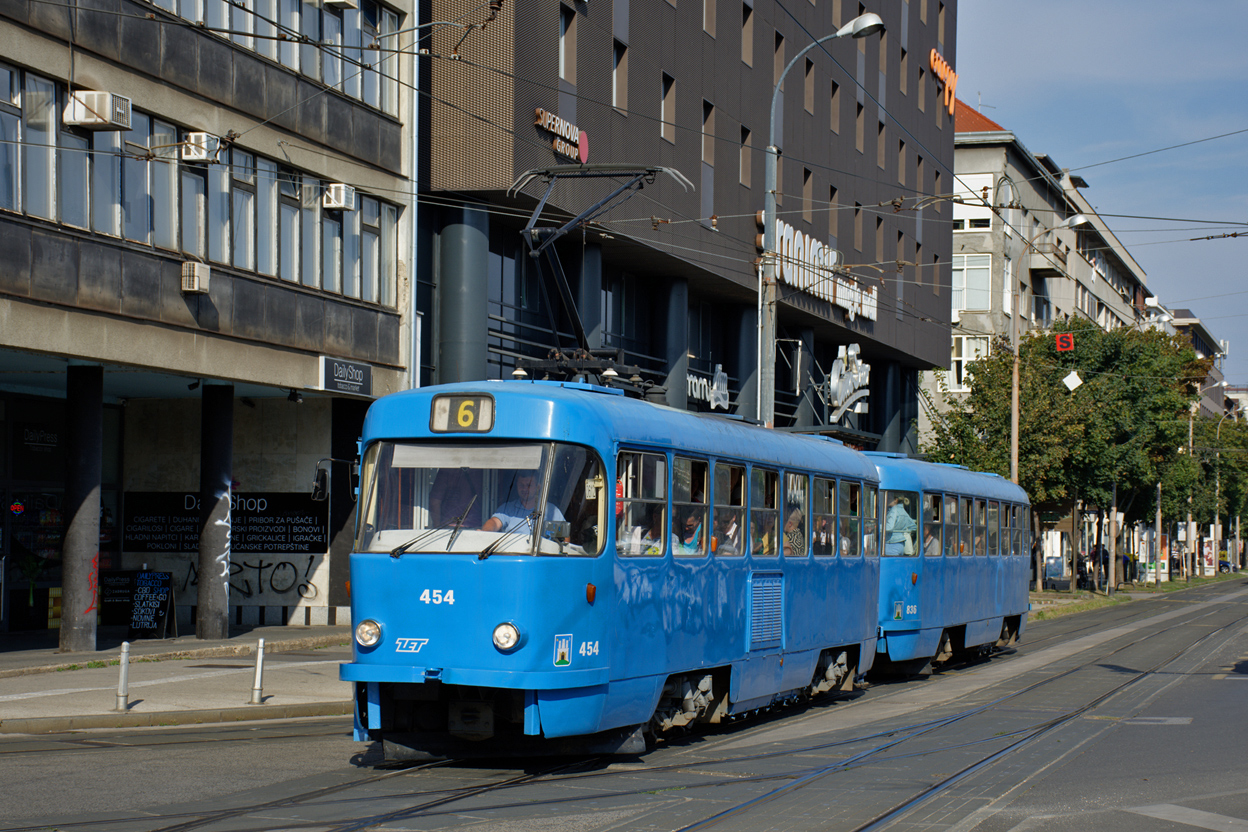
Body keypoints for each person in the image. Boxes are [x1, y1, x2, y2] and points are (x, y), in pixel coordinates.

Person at [482, 470, 564, 533]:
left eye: (529, 485)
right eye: (521, 485)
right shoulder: (507, 508)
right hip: (511, 554)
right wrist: (485, 532)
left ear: (538, 487)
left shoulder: (551, 511)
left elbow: (563, 538)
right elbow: (494, 522)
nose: (524, 489)